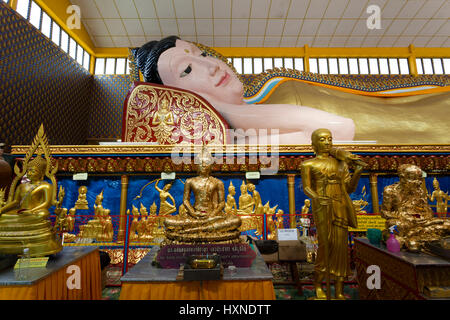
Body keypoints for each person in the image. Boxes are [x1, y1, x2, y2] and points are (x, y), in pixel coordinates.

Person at [133, 36, 355, 145]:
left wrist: (226, 109)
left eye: (201, 54)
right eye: (187, 70)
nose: (212, 66)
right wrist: (218, 110)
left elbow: (339, 129)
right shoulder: (227, 142)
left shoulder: (279, 92)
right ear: (178, 98)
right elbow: (337, 130)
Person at [301, 128, 364, 300]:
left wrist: (357, 171)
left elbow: (349, 188)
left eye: (330, 139)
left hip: (339, 204)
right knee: (325, 244)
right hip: (322, 206)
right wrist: (317, 197)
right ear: (313, 143)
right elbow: (307, 187)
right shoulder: (308, 164)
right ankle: (318, 286)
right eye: (322, 139)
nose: (327, 142)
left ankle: (338, 289)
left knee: (340, 247)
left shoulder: (340, 163)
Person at [163, 147, 242, 243]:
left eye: (206, 163)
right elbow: (185, 201)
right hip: (195, 215)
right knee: (168, 221)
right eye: (201, 163)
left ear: (211, 166)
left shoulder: (217, 182)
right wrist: (193, 213)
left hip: (213, 216)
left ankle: (194, 229)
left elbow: (222, 203)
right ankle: (205, 228)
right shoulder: (190, 181)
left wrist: (212, 214)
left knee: (236, 221)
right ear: (197, 166)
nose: (203, 165)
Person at [381, 164, 450, 251]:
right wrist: (403, 218)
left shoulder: (419, 191)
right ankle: (417, 237)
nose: (419, 182)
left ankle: (412, 237)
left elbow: (427, 210)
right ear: (402, 178)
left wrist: (424, 218)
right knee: (395, 225)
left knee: (447, 223)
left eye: (420, 178)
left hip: (421, 222)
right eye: (414, 179)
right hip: (403, 222)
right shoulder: (390, 191)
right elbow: (384, 212)